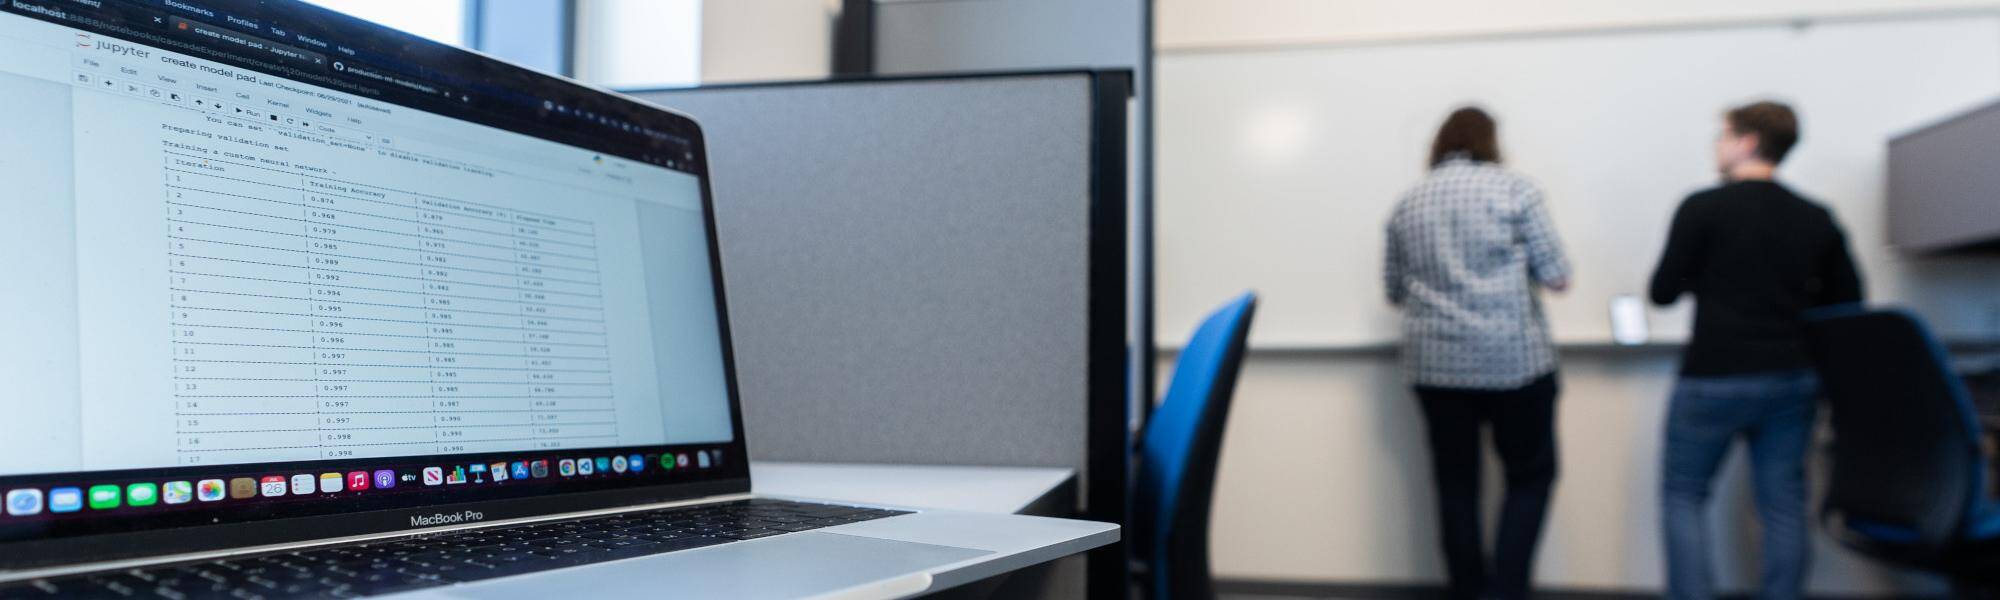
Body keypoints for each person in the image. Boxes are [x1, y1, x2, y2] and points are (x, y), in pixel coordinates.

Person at [1649, 101, 1863, 600]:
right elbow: (1847, 302)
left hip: (1713, 375)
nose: (1717, 146)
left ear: (1748, 141)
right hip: (1791, 378)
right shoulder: (1814, 217)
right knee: (1783, 505)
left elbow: (1662, 290)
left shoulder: (1701, 208)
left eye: (1723, 135)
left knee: (1683, 496)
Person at [1384, 106, 1571, 600]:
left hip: (1436, 369)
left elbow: (1394, 291)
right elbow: (1557, 275)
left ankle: (1468, 592)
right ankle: (1507, 593)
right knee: (1529, 478)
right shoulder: (1516, 191)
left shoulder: (1408, 203)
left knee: (1455, 485)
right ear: (1490, 142)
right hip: (1515, 364)